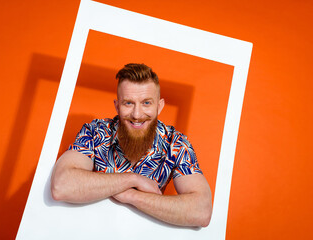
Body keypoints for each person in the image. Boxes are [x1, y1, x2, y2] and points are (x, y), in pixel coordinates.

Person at [51, 63, 212, 227]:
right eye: (128, 103)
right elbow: (61, 185)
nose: (137, 114)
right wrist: (133, 179)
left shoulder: (176, 144)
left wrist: (131, 196)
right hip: (91, 228)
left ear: (159, 106)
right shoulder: (95, 132)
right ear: (117, 106)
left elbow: (201, 211)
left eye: (146, 103)